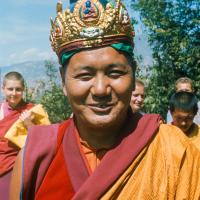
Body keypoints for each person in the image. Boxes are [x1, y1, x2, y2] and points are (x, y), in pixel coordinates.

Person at [10, 0, 200, 199]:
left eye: (115, 72)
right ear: (63, 82)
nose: (101, 89)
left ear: (134, 74)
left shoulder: (175, 151)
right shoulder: (36, 156)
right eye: (84, 76)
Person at [0, 71, 50, 200]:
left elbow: (46, 141)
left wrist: (29, 124)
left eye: (18, 89)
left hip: (20, 167)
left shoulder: (33, 111)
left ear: (23, 90)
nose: (14, 93)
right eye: (10, 89)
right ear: (3, 88)